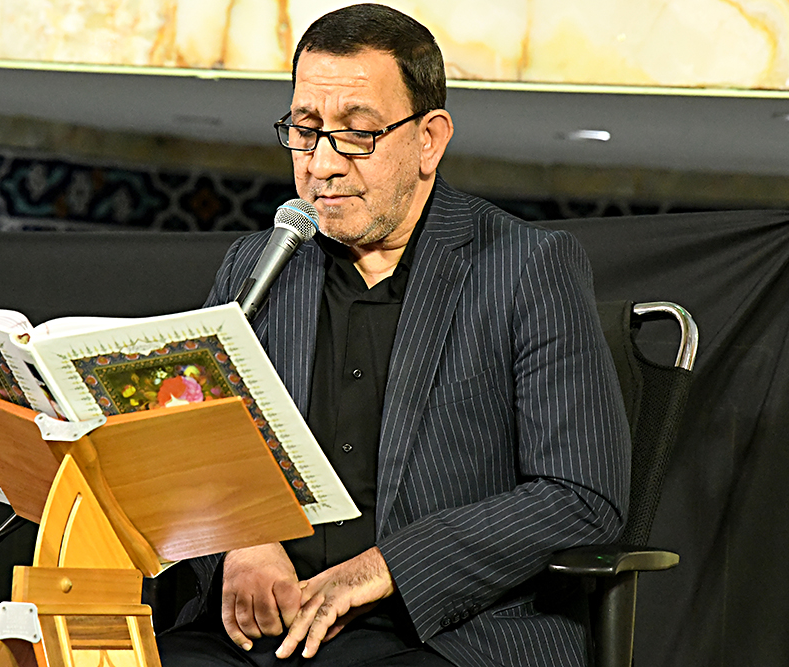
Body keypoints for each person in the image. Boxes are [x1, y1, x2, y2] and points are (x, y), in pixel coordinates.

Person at [158, 4, 630, 666]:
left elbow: (581, 496)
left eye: (357, 134)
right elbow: (193, 444)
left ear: (429, 139)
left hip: (442, 633)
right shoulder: (260, 264)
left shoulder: (526, 268)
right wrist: (241, 538)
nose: (322, 164)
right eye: (305, 130)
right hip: (260, 630)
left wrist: (384, 568)